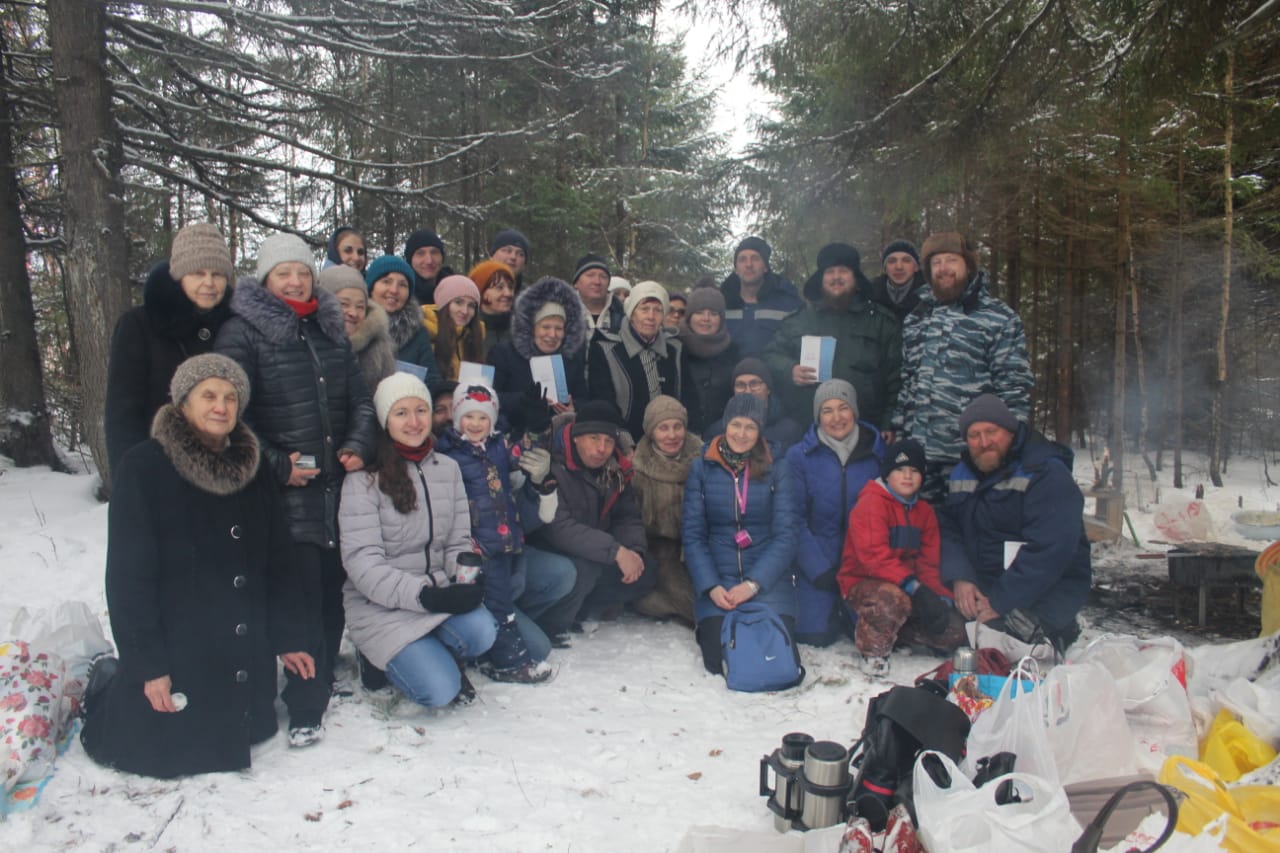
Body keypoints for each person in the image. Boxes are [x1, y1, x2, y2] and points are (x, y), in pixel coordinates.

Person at [82, 354, 314, 778]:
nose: (221, 407)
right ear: (183, 403)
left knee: (251, 728)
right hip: (179, 652)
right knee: (170, 741)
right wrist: (148, 667)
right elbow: (128, 577)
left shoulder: (254, 466)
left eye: (230, 397)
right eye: (208, 395)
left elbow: (278, 560)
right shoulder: (145, 466)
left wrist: (289, 636)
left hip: (245, 659)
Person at [215, 233, 377, 746]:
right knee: (299, 593)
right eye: (283, 272)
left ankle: (322, 676)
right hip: (284, 491)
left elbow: (363, 402)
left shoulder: (330, 331)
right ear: (265, 279)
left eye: (302, 272)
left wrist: (355, 444)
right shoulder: (242, 333)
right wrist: (277, 465)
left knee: (331, 589)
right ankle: (305, 704)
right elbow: (228, 416)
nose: (294, 280)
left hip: (337, 486)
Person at [338, 373, 497, 708]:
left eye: (421, 410)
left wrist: (466, 576)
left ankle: (432, 649)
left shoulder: (447, 469)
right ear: (385, 420)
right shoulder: (363, 480)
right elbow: (362, 564)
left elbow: (458, 541)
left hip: (436, 591)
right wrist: (426, 597)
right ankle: (379, 658)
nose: (414, 422)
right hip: (382, 607)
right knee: (439, 692)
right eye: (401, 413)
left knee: (483, 631)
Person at [938, 394, 1090, 655]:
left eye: (991, 431)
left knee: (1008, 650)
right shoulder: (962, 473)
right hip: (987, 584)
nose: (984, 442)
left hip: (1046, 588)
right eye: (974, 435)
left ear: (1010, 431)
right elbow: (949, 529)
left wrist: (1001, 600)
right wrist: (960, 576)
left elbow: (1051, 550)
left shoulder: (1045, 472)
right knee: (942, 631)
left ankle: (1057, 627)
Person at [436, 380, 565, 683]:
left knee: (499, 598)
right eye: (469, 417)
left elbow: (526, 455)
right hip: (476, 547)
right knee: (497, 605)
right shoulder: (449, 454)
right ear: (457, 418)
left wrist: (536, 426)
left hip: (504, 541)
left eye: (483, 417)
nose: (476, 424)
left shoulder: (497, 447)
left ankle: (487, 654)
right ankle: (511, 663)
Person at [892, 232, 1033, 501]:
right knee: (925, 537)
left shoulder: (998, 318)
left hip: (970, 457)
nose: (943, 269)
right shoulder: (917, 318)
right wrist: (902, 434)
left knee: (971, 534)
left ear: (968, 266)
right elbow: (907, 382)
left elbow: (1014, 387)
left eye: (951, 260)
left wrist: (1011, 447)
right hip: (921, 458)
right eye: (936, 263)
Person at [682, 394, 798, 676]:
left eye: (750, 427)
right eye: (736, 425)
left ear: (760, 430)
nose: (741, 434)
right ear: (725, 425)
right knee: (718, 660)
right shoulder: (702, 466)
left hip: (765, 579)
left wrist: (754, 585)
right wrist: (711, 586)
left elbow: (786, 535)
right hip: (720, 577)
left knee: (773, 653)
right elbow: (693, 534)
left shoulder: (777, 466)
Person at [105, 223, 236, 474]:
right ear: (179, 276)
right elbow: (123, 413)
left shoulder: (234, 325)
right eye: (198, 273)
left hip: (222, 472)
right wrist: (129, 476)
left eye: (217, 274)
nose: (209, 282)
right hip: (159, 467)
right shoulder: (140, 325)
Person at [528, 401, 658, 641]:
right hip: (556, 550)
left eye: (608, 441)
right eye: (594, 438)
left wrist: (634, 551)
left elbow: (626, 516)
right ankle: (553, 622)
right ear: (577, 437)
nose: (602, 449)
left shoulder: (616, 469)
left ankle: (583, 605)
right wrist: (616, 551)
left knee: (646, 569)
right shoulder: (552, 466)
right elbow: (560, 528)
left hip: (597, 548)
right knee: (583, 572)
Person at [838, 439, 964, 677]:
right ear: (887, 475)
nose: (907, 476)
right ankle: (873, 651)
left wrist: (938, 598)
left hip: (907, 586)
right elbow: (874, 557)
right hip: (863, 583)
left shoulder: (924, 512)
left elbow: (928, 564)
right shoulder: (872, 504)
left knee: (954, 628)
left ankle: (902, 633)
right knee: (890, 600)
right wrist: (915, 587)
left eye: (914, 471)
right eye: (899, 470)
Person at [785, 380, 886, 647]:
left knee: (875, 634)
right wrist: (817, 568)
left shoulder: (877, 454)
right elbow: (793, 517)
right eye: (827, 410)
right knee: (814, 635)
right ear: (818, 416)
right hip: (818, 562)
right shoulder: (799, 456)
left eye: (843, 408)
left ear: (854, 410)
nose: (836, 417)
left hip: (864, 563)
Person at [764, 242, 902, 434]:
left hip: (866, 432)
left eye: (843, 271)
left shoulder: (881, 323)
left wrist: (889, 425)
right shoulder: (798, 320)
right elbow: (770, 356)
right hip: (808, 433)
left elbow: (896, 380)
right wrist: (789, 369)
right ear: (821, 279)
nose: (836, 277)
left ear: (855, 278)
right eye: (830, 272)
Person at [588, 280, 688, 441]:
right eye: (644, 309)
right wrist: (623, 440)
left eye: (658, 310)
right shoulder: (606, 349)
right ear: (631, 312)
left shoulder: (675, 349)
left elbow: (688, 397)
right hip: (625, 440)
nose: (650, 316)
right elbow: (604, 402)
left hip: (671, 439)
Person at [631, 396, 701, 625]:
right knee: (692, 603)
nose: (672, 435)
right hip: (660, 549)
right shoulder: (638, 469)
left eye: (677, 426)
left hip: (698, 543)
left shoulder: (704, 460)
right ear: (651, 432)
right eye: (663, 428)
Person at [488, 275, 589, 433]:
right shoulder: (505, 353)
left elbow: (584, 397)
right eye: (546, 327)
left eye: (558, 328)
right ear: (532, 327)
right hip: (515, 434)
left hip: (561, 435)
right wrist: (524, 400)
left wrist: (574, 406)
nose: (552, 334)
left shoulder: (571, 358)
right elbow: (491, 397)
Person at [364, 254, 441, 386]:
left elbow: (432, 380)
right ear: (371, 288)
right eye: (386, 281)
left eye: (402, 285)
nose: (394, 290)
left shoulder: (417, 332)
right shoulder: (355, 325)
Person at [719, 236, 802, 356]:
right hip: (729, 374)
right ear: (736, 269)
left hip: (775, 374)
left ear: (766, 267)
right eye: (742, 259)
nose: (748, 264)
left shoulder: (788, 304)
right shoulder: (721, 304)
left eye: (755, 258)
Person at [318, 265, 396, 392]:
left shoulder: (379, 350)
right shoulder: (306, 342)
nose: (353, 313)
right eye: (343, 304)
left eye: (360, 306)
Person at [701, 357, 804, 451]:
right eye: (740, 385)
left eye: (754, 384)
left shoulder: (790, 431)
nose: (748, 391)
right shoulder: (716, 432)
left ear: (768, 389)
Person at [679, 286, 738, 435]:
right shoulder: (674, 348)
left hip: (724, 434)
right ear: (689, 316)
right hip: (680, 436)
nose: (706, 318)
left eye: (713, 313)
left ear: (721, 318)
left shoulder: (734, 351)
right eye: (699, 313)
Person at [422, 274, 485, 381]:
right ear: (444, 305)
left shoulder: (474, 338)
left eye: (471, 306)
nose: (465, 311)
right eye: (458, 302)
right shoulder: (424, 335)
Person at [863, 239, 925, 324]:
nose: (899, 267)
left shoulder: (930, 297)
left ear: (916, 267)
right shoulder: (868, 295)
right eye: (892, 261)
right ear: (885, 268)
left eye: (906, 260)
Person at [468, 259, 517, 357]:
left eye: (510, 287)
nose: (508, 294)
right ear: (481, 292)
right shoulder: (469, 331)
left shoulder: (520, 330)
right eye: (499, 287)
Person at [571, 253, 623, 340]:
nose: (597, 281)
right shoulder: (562, 314)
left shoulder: (623, 316)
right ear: (576, 283)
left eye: (603, 276)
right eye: (590, 275)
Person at [403, 228, 453, 305]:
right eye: (420, 253)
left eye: (434, 252)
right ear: (410, 260)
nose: (429, 261)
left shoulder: (456, 293)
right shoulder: (401, 296)